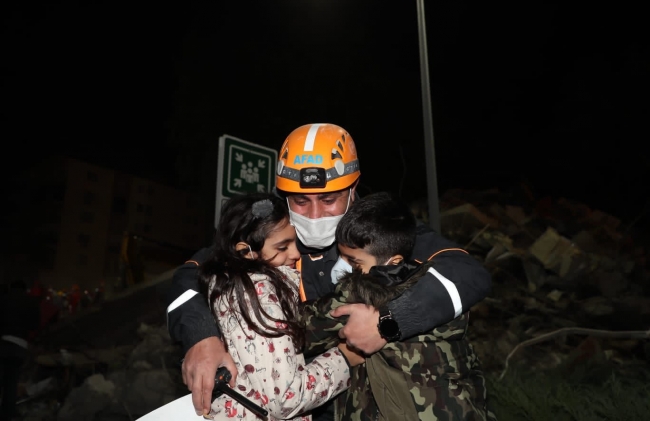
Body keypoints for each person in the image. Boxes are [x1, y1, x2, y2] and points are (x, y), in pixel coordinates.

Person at [166, 123, 493, 419]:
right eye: (300, 201)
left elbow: (466, 272)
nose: (315, 213)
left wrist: (388, 322)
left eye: (329, 199)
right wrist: (201, 338)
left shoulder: (378, 233)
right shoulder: (270, 238)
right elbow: (192, 273)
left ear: (354, 189)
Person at [301, 191, 495, 420]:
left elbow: (306, 328)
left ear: (393, 261)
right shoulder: (434, 284)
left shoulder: (360, 294)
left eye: (354, 261)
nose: (345, 267)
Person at [197, 192, 362, 420]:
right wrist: (344, 358)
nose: (295, 254)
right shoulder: (258, 293)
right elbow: (285, 399)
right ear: (246, 251)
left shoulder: (233, 285)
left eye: (295, 242)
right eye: (282, 247)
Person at [1, 280, 41, 421]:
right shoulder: (31, 302)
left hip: (2, 342)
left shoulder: (3, 299)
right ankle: (8, 412)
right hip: (19, 345)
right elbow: (35, 325)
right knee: (11, 381)